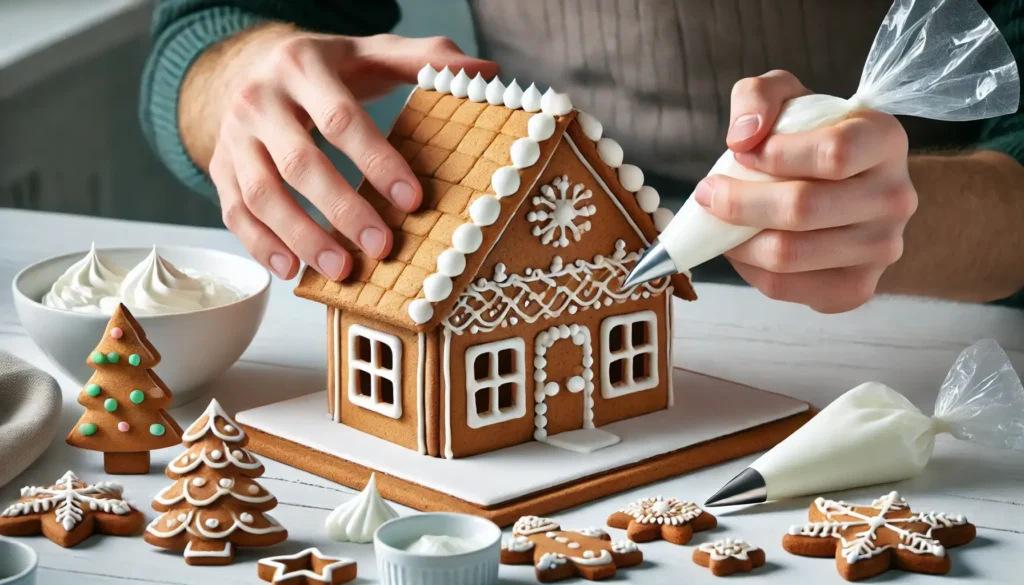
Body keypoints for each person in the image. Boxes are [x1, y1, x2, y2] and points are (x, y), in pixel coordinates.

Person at [140, 0, 1024, 313]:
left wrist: (922, 212)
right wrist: (235, 82)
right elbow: (208, 27)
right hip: (508, 216)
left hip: (923, 311)